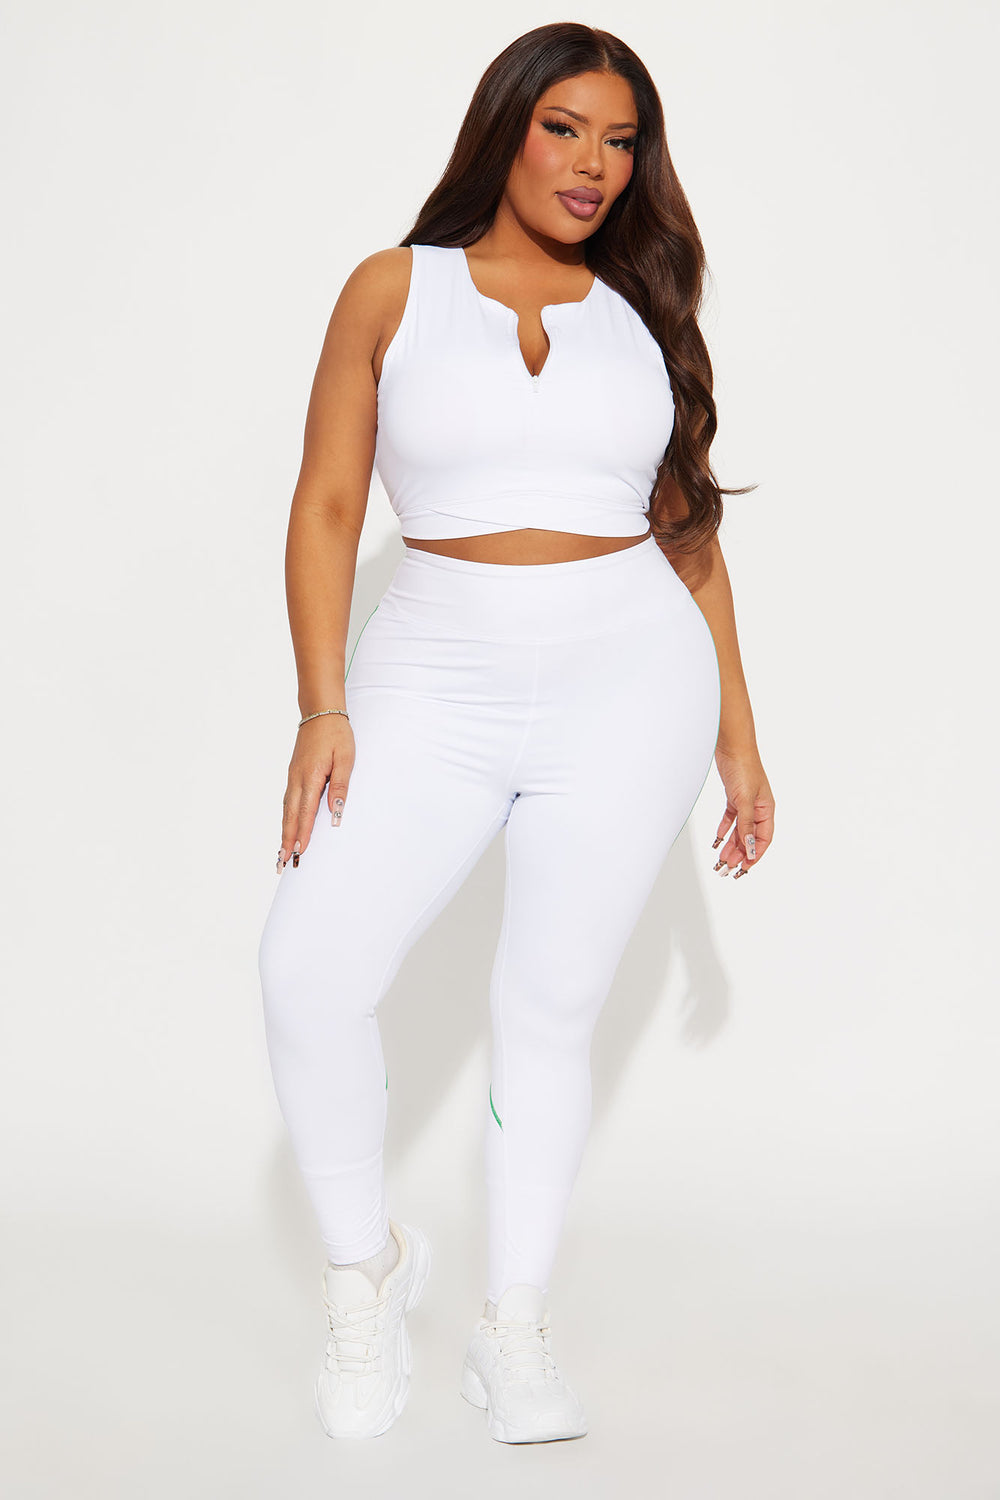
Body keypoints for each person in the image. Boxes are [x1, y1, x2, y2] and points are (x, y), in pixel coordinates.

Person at [257, 21, 775, 1446]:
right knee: (307, 973)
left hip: (633, 683)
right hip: (431, 674)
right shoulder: (395, 289)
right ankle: (367, 1274)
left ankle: (514, 1322)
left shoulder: (644, 313)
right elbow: (326, 507)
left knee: (548, 1008)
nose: (594, 165)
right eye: (565, 129)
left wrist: (738, 738)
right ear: (506, 128)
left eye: (621, 141)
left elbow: (691, 540)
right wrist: (321, 705)